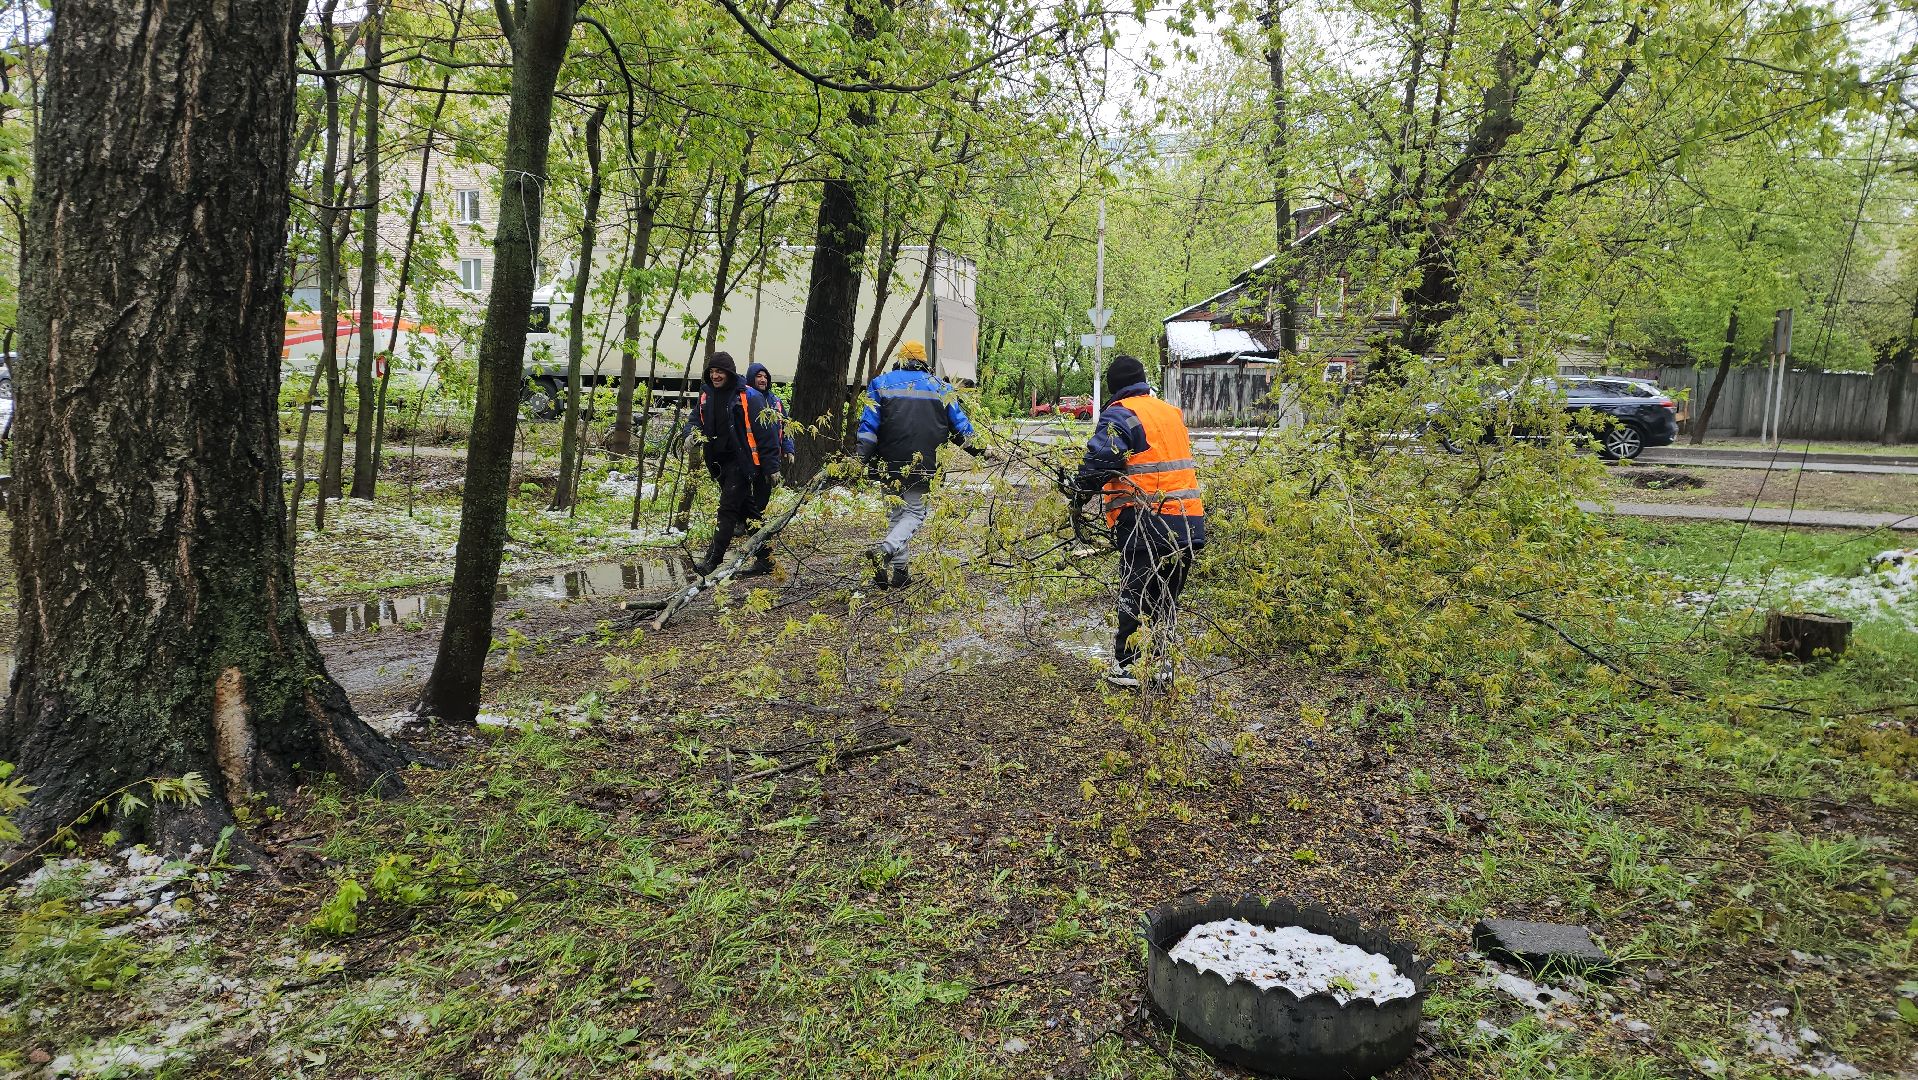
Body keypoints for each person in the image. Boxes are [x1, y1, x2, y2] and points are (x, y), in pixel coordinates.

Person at [1075, 354, 1205, 689]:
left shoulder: (1121, 413)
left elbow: (1101, 461)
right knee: (1167, 596)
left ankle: (1125, 667)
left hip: (1147, 519)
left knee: (1133, 592)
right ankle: (1163, 667)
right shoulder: (1170, 412)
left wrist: (1078, 492)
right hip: (1188, 520)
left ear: (1114, 386)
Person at [855, 340, 979, 590]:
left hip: (887, 464)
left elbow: (869, 427)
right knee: (914, 513)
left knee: (896, 515)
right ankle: (885, 552)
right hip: (924, 464)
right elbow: (961, 429)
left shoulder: (881, 384)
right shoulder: (940, 387)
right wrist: (981, 450)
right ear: (923, 361)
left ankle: (900, 573)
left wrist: (860, 458)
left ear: (900, 360)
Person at [690, 352, 781, 576]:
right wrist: (690, 435)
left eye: (719, 372)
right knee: (748, 512)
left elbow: (767, 433)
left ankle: (713, 561)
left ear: (729, 373)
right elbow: (695, 420)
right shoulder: (707, 395)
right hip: (718, 462)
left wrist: (772, 467)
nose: (715, 376)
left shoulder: (749, 396)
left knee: (727, 509)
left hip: (742, 462)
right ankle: (766, 560)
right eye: (712, 372)